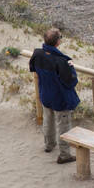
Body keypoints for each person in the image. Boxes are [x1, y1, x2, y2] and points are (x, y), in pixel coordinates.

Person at [29, 27, 80, 164]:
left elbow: (33, 68)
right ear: (57, 42)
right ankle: (64, 155)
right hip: (59, 98)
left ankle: (48, 145)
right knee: (63, 125)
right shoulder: (61, 61)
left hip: (45, 94)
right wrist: (71, 67)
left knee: (48, 120)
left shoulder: (37, 54)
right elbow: (72, 81)